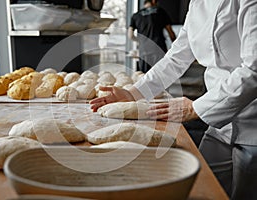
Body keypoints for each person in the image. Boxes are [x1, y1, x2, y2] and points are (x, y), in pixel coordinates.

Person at [90, 0, 257, 199]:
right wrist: (133, 93)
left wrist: (195, 108)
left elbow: (254, 69)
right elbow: (176, 58)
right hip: (220, 124)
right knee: (201, 187)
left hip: (252, 124)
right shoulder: (197, 4)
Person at [128, 0, 176, 73]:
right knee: (160, 76)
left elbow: (130, 35)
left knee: (145, 76)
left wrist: (141, 41)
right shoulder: (161, 12)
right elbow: (170, 32)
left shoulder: (136, 15)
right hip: (159, 48)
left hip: (144, 50)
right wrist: (175, 46)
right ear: (153, 1)